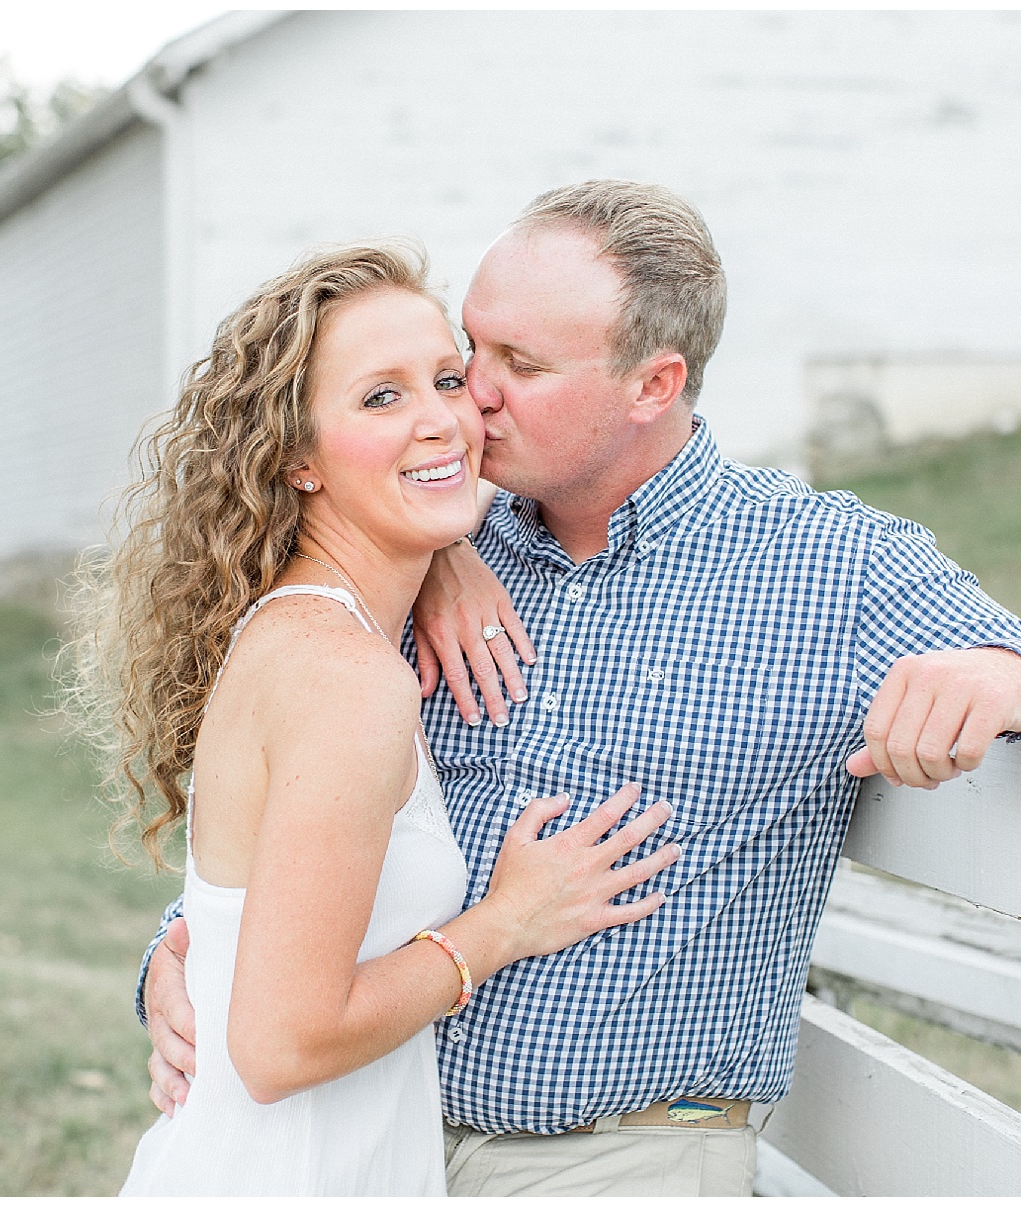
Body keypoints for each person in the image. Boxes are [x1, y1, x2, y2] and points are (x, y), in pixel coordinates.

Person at [137, 181, 1021, 1196]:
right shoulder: (426, 543)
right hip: (372, 1132)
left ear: (653, 384)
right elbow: (302, 828)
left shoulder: (830, 568)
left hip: (620, 1155)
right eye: (470, 351)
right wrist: (179, 957)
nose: (471, 396)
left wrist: (1010, 671)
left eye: (518, 365)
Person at [74, 241, 681, 1196]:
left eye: (448, 378)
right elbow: (280, 1045)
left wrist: (447, 553)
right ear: (298, 460)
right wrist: (505, 922)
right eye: (381, 397)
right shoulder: (347, 678)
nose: (443, 419)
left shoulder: (313, 631)